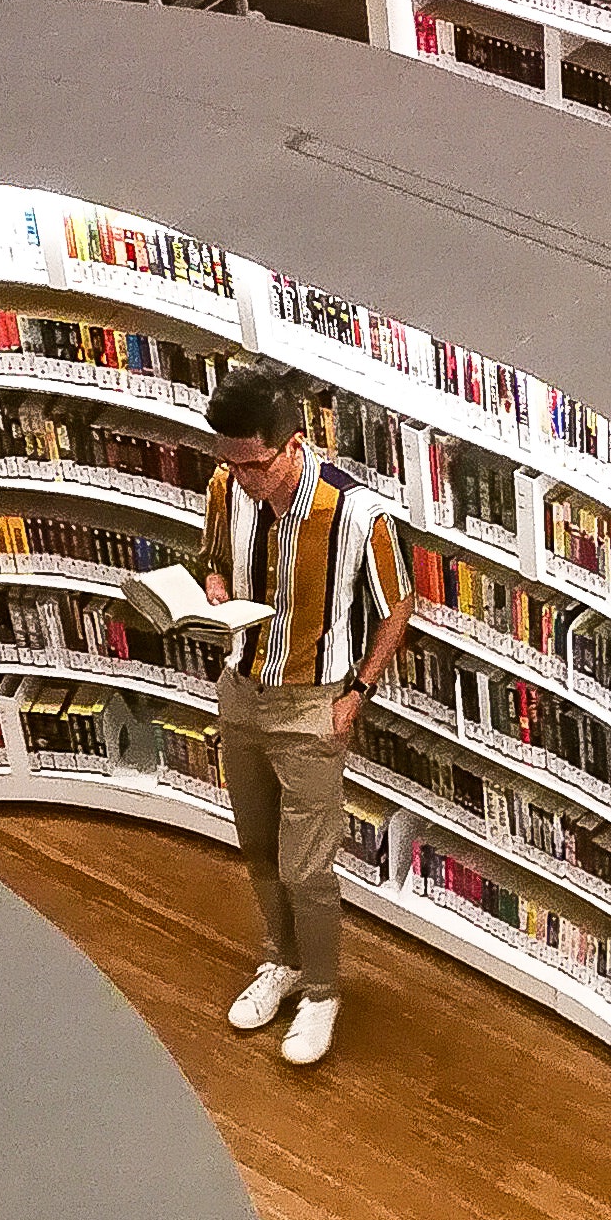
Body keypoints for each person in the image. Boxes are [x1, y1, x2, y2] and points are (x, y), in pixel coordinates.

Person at [197, 355, 411, 1068]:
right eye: (231, 464)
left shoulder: (358, 515)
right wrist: (214, 590)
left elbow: (398, 606)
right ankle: (279, 961)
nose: (244, 479)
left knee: (307, 867)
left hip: (313, 705)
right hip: (241, 690)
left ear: (293, 443)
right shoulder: (227, 486)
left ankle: (322, 990)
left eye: (256, 464)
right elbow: (213, 560)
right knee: (257, 848)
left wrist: (359, 694)